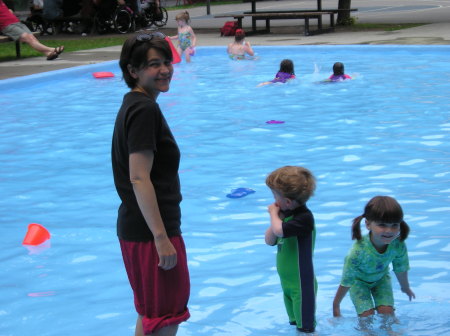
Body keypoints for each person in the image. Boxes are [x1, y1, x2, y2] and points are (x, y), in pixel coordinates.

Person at [111, 32, 190, 336]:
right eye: (154, 65)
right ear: (133, 71)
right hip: (150, 234)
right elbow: (138, 176)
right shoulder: (144, 109)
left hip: (139, 228)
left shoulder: (134, 103)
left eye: (167, 62)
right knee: (165, 316)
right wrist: (161, 238)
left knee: (152, 315)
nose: (165, 70)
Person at [333, 196, 415, 318]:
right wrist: (336, 304)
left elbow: (401, 268)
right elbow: (347, 280)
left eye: (394, 225)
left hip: (381, 280)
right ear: (368, 224)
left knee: (388, 313)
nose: (389, 231)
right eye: (382, 225)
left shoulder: (398, 245)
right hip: (358, 283)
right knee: (367, 316)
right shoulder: (357, 252)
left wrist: (405, 287)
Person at [265, 166, 317, 333]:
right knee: (296, 325)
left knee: (306, 329)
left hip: (302, 285)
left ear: (287, 202)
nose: (273, 202)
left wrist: (273, 214)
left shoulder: (304, 218)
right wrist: (276, 217)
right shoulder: (285, 216)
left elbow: (280, 231)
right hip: (288, 284)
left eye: (275, 196)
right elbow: (269, 240)